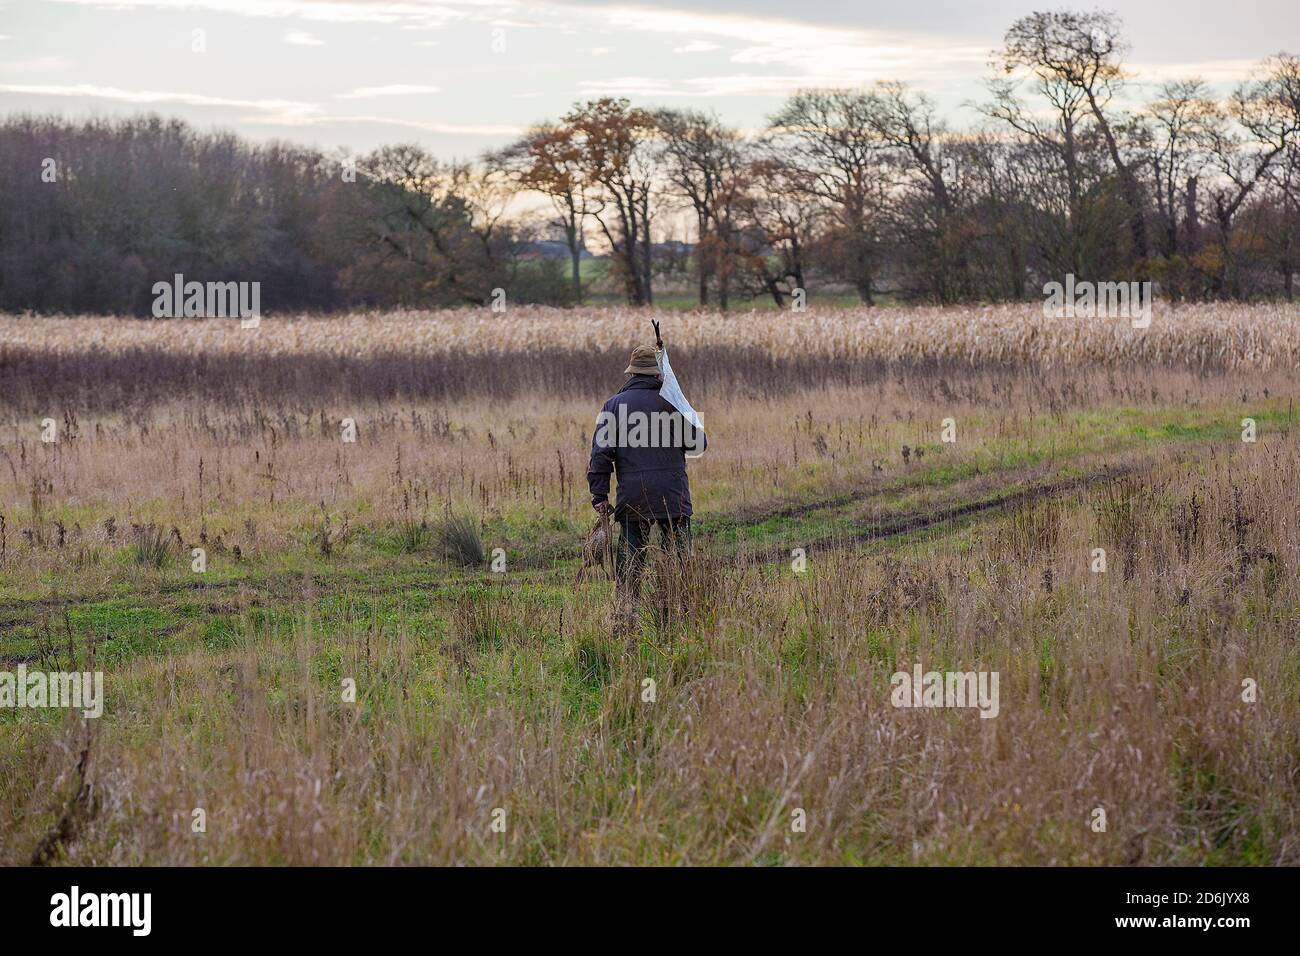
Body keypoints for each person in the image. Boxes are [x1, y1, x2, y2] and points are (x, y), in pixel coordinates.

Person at [587, 344, 705, 634]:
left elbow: (600, 455)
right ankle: (679, 620)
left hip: (633, 499)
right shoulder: (673, 403)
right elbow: (698, 445)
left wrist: (599, 495)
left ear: (632, 372)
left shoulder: (612, 406)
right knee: (678, 565)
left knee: (630, 566)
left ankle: (625, 620)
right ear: (658, 374)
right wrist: (682, 402)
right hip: (673, 498)